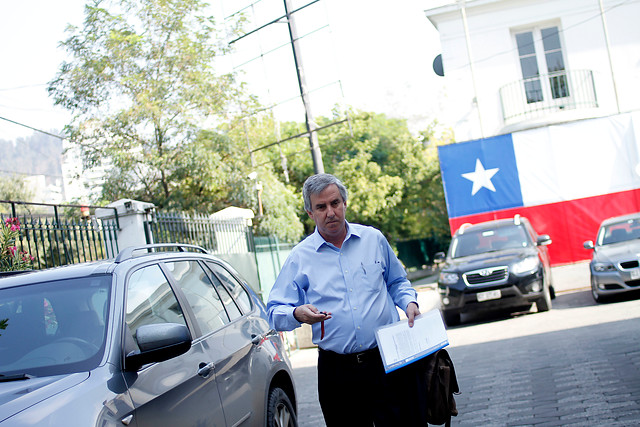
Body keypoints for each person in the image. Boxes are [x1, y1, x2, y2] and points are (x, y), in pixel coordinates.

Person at [267, 173, 420, 426]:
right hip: (337, 372)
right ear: (310, 212)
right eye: (321, 207)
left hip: (388, 360)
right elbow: (274, 311)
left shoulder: (374, 240)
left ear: (345, 203)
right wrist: (297, 314)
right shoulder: (300, 257)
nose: (330, 212)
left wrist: (409, 303)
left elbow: (397, 282)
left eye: (335, 203)